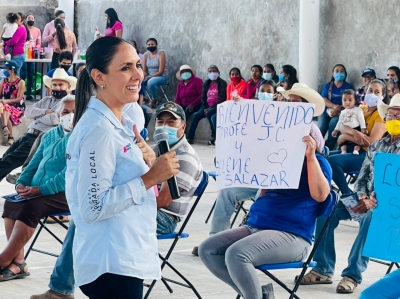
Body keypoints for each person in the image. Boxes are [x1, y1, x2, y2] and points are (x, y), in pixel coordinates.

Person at [65, 36, 179, 299]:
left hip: (124, 257)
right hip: (111, 264)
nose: (137, 75)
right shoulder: (99, 130)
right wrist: (149, 178)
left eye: (138, 65)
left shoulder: (120, 124)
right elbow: (93, 208)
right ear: (99, 76)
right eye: (125, 68)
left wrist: (149, 163)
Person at [199, 85, 332, 299]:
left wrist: (310, 157)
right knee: (208, 248)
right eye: (288, 102)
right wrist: (237, 111)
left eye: (296, 104)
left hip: (293, 234)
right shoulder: (274, 151)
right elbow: (247, 142)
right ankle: (258, 295)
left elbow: (321, 196)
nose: (288, 107)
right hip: (257, 225)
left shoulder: (319, 160)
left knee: (237, 254)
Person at [296, 94, 400, 294]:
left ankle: (352, 274)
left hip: (392, 207)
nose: (393, 120)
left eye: (398, 116)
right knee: (327, 208)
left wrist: (374, 201)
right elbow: (362, 177)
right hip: (365, 199)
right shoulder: (377, 146)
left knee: (370, 217)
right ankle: (323, 268)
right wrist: (362, 196)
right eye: (390, 116)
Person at [0, 96, 75, 282]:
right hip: (38, 189)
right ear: (58, 115)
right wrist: (22, 183)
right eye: (66, 112)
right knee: (11, 203)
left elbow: (70, 173)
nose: (70, 116)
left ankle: (3, 259)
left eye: (75, 112)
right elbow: (33, 164)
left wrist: (40, 190)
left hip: (65, 192)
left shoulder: (81, 137)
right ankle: (19, 262)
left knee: (30, 207)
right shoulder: (49, 135)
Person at [0, 68, 76, 182]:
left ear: (68, 87)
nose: (57, 87)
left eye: (61, 85)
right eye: (54, 85)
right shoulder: (46, 100)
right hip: (28, 134)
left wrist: (38, 115)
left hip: (40, 137)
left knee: (8, 161)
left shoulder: (67, 102)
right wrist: (45, 112)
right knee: (5, 159)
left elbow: (55, 119)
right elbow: (28, 111)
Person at [325, 79, 387, 196]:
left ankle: (348, 196)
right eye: (370, 90)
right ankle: (327, 192)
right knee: (322, 157)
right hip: (351, 149)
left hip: (367, 156)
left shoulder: (381, 115)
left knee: (331, 161)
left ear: (382, 96)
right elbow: (342, 126)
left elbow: (370, 142)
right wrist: (354, 134)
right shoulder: (361, 109)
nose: (372, 94)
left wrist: (346, 135)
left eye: (377, 92)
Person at [153, 102, 203, 234]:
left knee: (118, 219)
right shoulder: (157, 149)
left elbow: (163, 201)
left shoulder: (186, 157)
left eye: (171, 122)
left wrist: (128, 207)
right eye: (160, 122)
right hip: (150, 208)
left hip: (165, 217)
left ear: (183, 127)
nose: (164, 127)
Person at [187, 64, 227, 145]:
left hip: (217, 106)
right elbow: (203, 97)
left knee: (210, 114)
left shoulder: (222, 83)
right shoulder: (206, 83)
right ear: (208, 74)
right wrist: (205, 107)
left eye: (214, 71)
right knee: (196, 115)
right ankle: (190, 138)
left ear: (218, 72)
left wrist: (211, 107)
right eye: (210, 71)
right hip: (206, 106)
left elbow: (221, 98)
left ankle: (213, 136)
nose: (212, 73)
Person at [317, 64, 353, 150]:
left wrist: (338, 109)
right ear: (333, 74)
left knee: (333, 124)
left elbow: (349, 102)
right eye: (337, 71)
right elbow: (323, 99)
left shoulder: (348, 87)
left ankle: (327, 148)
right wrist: (334, 106)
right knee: (321, 127)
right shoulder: (328, 85)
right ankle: (316, 145)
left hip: (340, 112)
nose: (339, 73)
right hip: (326, 110)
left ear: (345, 74)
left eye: (342, 71)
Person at [332, 90, 367, 155]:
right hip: (345, 131)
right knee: (343, 142)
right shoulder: (342, 112)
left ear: (355, 101)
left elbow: (361, 119)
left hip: (356, 129)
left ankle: (356, 150)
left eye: (350, 100)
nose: (347, 102)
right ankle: (344, 151)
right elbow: (340, 122)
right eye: (344, 100)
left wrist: (363, 128)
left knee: (357, 142)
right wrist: (336, 130)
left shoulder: (358, 110)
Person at [0, 60, 26, 146]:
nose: (4, 71)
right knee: (5, 108)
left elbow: (19, 99)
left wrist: (5, 101)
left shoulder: (21, 82)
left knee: (5, 108)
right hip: (6, 106)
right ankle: (9, 136)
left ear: (12, 70)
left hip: (18, 107)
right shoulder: (4, 81)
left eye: (6, 69)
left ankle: (5, 128)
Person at [140, 38, 168, 108]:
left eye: (152, 44)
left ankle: (154, 99)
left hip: (162, 76)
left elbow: (161, 71)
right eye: (148, 45)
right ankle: (142, 99)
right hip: (149, 76)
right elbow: (145, 70)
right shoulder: (145, 55)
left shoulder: (161, 53)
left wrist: (150, 77)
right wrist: (143, 76)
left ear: (156, 45)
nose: (150, 46)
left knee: (151, 82)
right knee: (140, 81)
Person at [22, 14, 42, 101]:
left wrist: (35, 49)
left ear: (34, 20)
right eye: (29, 18)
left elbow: (39, 43)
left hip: (33, 54)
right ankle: (21, 93)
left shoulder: (37, 30)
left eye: (32, 18)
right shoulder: (23, 29)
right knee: (22, 74)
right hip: (23, 54)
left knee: (31, 74)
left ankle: (29, 93)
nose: (31, 20)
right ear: (26, 20)